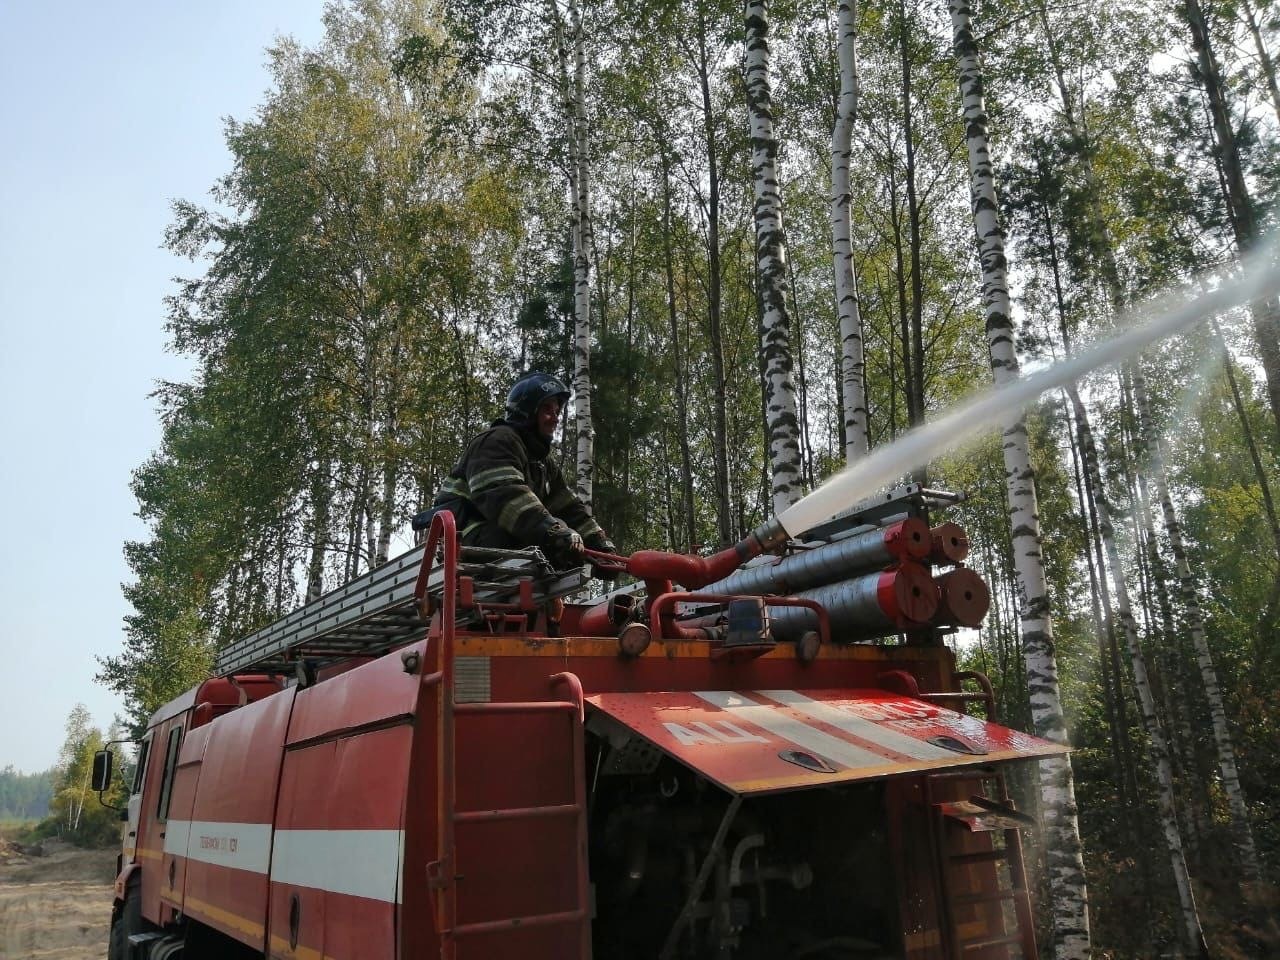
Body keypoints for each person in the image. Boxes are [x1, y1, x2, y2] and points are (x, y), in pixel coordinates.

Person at [429, 372, 618, 570]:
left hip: (493, 543)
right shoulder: (496, 441)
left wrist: (600, 545)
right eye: (547, 410)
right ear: (527, 412)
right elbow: (506, 497)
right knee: (551, 538)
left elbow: (569, 508)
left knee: (561, 542)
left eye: (556, 411)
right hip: (462, 541)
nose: (554, 418)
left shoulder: (542, 463)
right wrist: (554, 532)